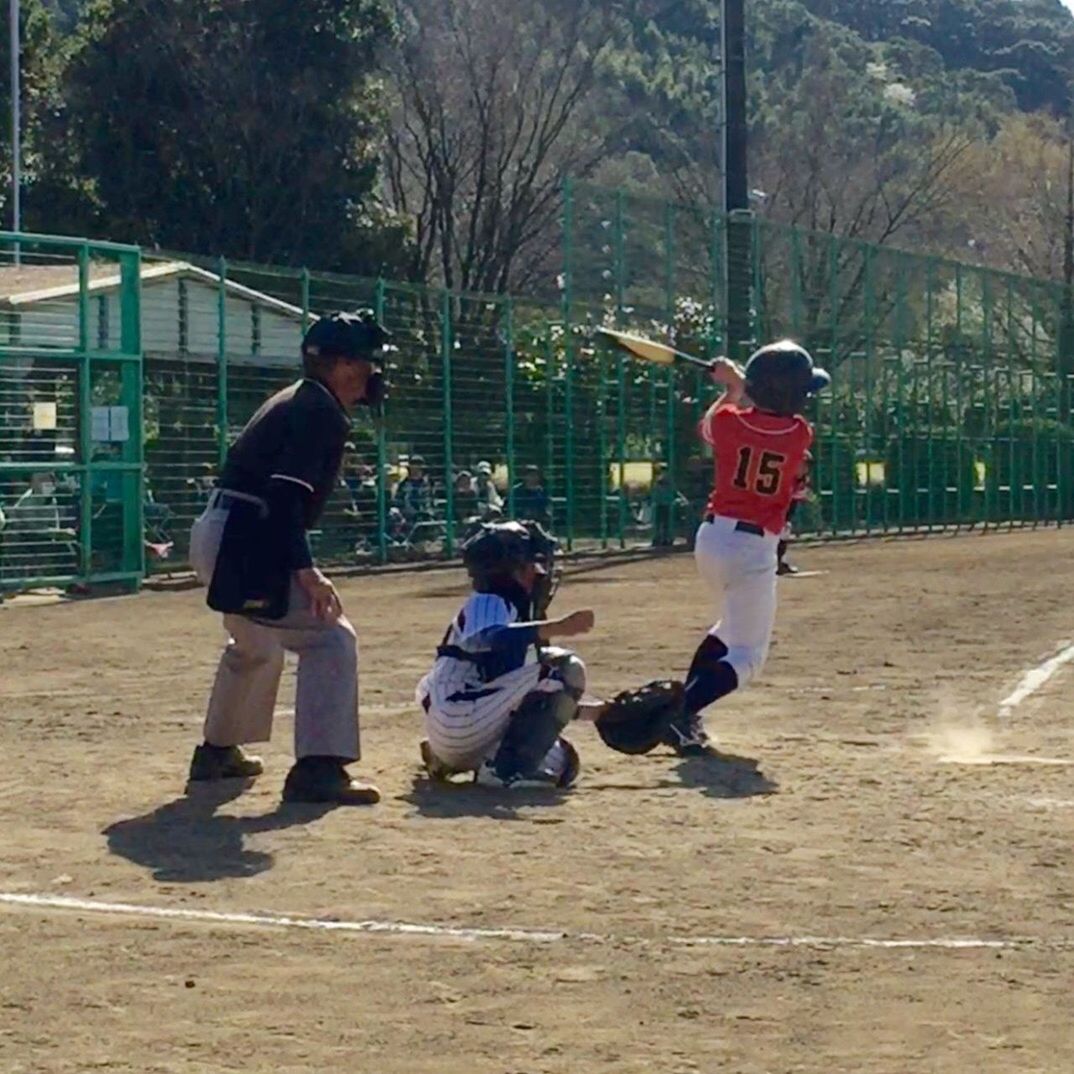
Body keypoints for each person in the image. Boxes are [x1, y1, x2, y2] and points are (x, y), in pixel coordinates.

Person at [187, 310, 389, 805]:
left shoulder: (302, 399)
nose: (373, 372)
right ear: (341, 366)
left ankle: (216, 755)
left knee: (256, 645)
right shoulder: (317, 409)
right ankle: (319, 769)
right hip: (248, 535)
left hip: (226, 530)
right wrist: (308, 570)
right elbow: (284, 498)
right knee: (330, 639)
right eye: (366, 362)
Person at [663, 340, 830, 756]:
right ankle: (678, 713)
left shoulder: (728, 422)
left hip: (712, 540)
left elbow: (712, 424)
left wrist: (732, 388)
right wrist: (740, 383)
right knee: (749, 656)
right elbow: (767, 419)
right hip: (752, 549)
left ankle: (685, 714)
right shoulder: (798, 434)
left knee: (727, 632)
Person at [416, 521, 599, 788]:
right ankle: (505, 773)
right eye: (533, 565)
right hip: (463, 718)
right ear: (510, 571)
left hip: (462, 723)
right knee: (564, 666)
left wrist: (598, 713)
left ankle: (445, 758)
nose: (542, 574)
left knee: (563, 761)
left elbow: (530, 702)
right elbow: (493, 637)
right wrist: (558, 626)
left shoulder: (511, 611)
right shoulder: (489, 600)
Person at [777, 450, 813, 576]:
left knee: (785, 531)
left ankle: (779, 562)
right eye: (801, 464)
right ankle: (774, 563)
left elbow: (798, 497)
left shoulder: (803, 480)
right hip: (775, 512)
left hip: (787, 512)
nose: (804, 468)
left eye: (806, 465)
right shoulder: (784, 478)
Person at [649, 465, 688, 548]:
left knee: (666, 523)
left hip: (667, 505)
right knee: (658, 523)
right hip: (659, 504)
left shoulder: (669, 481)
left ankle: (666, 539)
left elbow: (675, 491)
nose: (664, 473)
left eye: (664, 471)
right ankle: (658, 538)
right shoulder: (656, 481)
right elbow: (653, 492)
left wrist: (680, 498)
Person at [393, 455, 435, 526]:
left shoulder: (429, 483)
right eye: (413, 464)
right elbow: (398, 502)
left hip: (426, 517)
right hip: (408, 519)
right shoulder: (403, 484)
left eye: (419, 464)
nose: (416, 467)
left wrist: (429, 513)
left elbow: (431, 500)